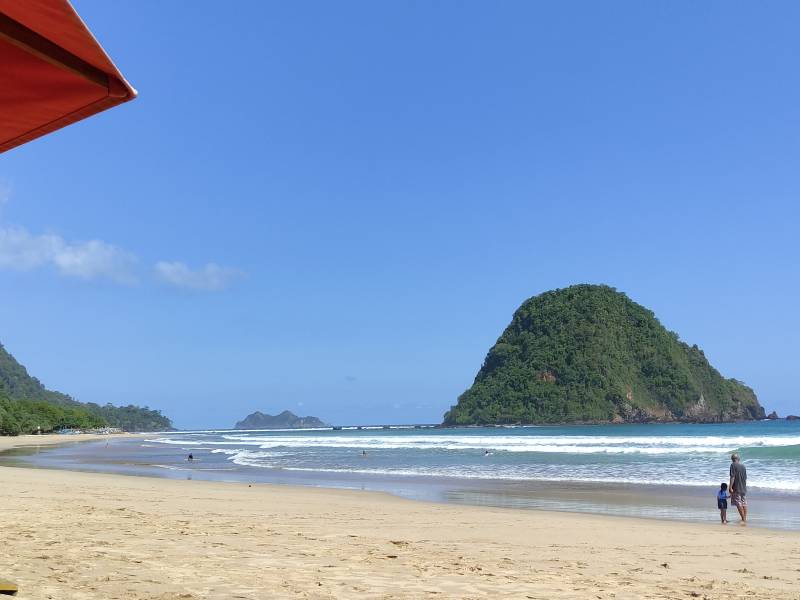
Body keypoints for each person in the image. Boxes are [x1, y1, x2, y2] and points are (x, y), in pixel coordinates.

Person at [729, 452, 748, 525]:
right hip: (743, 487)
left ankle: (743, 519)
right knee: (744, 503)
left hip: (737, 487)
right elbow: (745, 478)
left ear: (732, 459)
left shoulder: (733, 465)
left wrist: (730, 487)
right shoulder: (743, 466)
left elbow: (732, 477)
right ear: (738, 459)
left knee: (738, 503)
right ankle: (744, 518)